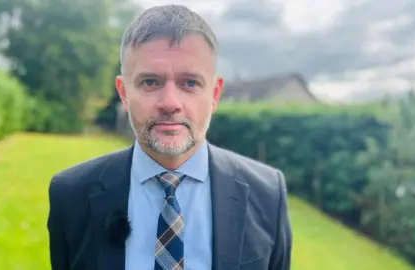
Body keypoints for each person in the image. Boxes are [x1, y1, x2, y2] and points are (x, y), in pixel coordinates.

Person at [47, 4, 292, 270]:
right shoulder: (71, 194)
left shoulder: (267, 193)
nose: (170, 102)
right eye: (150, 82)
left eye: (190, 83)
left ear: (214, 95)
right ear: (124, 93)